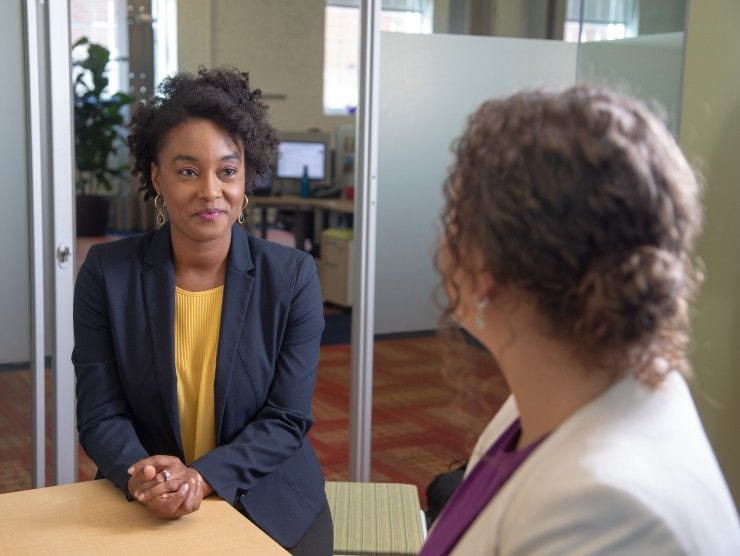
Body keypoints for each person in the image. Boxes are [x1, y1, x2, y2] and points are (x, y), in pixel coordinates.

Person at [423, 87, 740, 554]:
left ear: (486, 269)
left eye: (454, 216)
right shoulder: (569, 391)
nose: (443, 240)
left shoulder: (606, 508)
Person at [73, 67, 332, 555]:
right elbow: (100, 412)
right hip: (146, 495)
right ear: (157, 176)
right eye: (188, 171)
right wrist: (143, 475)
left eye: (227, 171)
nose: (210, 191)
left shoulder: (292, 276)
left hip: (268, 492)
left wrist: (202, 476)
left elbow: (287, 417)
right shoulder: (108, 274)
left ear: (245, 178)